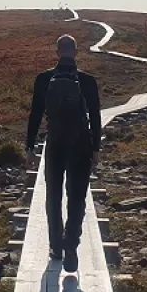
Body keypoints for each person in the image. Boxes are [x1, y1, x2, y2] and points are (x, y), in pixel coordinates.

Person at [25, 34, 102, 274]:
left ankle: (55, 247)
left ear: (57, 52)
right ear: (76, 52)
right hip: (81, 144)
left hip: (55, 142)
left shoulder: (44, 79)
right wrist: (96, 148)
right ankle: (72, 245)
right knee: (77, 196)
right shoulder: (88, 81)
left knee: (53, 195)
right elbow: (96, 118)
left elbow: (36, 114)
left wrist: (30, 146)